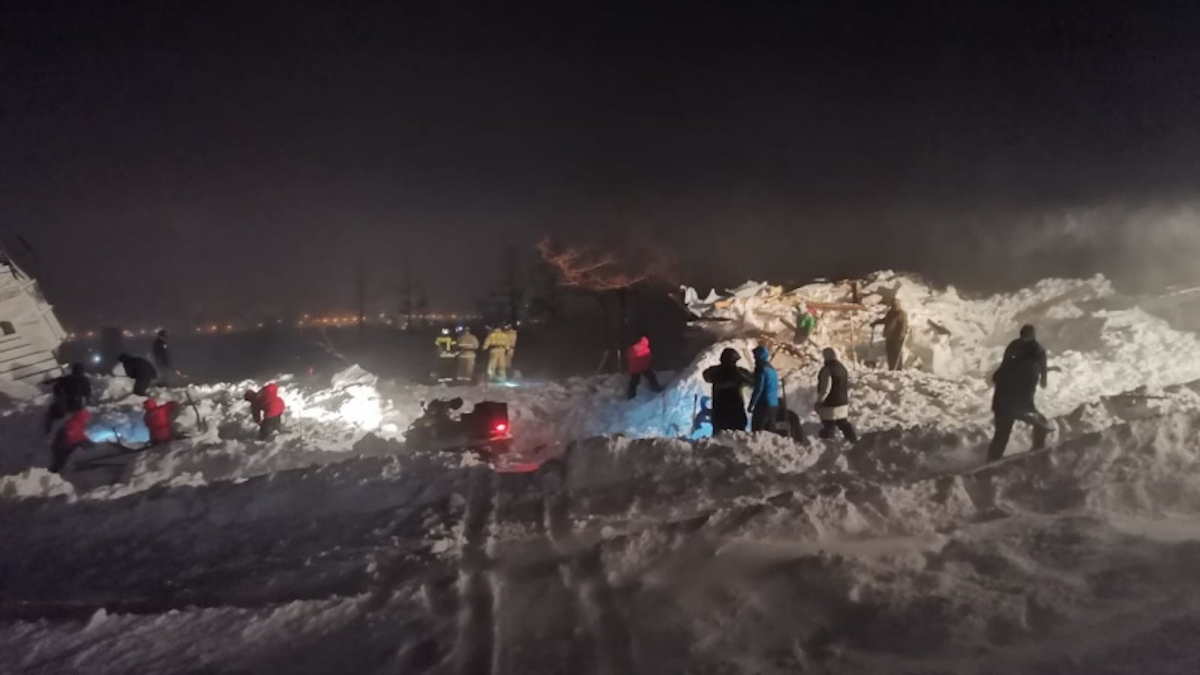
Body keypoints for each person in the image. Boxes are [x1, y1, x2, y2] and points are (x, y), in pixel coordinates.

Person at [989, 324, 1052, 461]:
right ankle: (1037, 452)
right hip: (1012, 402)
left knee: (1002, 433)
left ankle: (992, 459)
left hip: (1005, 401)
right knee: (1038, 424)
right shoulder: (1032, 353)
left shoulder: (1019, 348)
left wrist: (1044, 376)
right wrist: (1043, 377)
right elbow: (1038, 372)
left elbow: (1001, 371)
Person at [702, 348, 753, 432]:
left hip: (720, 410)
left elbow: (706, 375)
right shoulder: (738, 373)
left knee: (720, 432)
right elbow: (752, 381)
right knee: (736, 431)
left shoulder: (715, 372)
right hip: (735, 409)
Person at [816, 347, 858, 442]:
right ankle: (853, 440)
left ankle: (827, 444)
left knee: (828, 426)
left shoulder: (827, 370)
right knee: (843, 423)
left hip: (830, 404)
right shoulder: (842, 368)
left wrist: (819, 401)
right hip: (843, 403)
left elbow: (825, 388)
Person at [44, 363, 92, 434]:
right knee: (76, 419)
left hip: (66, 403)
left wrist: (57, 394)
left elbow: (56, 384)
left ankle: (47, 431)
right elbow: (88, 392)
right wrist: (87, 400)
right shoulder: (85, 380)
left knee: (53, 412)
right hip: (77, 404)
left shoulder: (68, 378)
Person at [49, 408, 93, 473]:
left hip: (61, 447)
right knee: (59, 463)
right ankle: (52, 473)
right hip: (62, 449)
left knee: (59, 462)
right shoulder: (74, 425)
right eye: (87, 419)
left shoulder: (75, 423)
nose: (88, 421)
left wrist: (85, 441)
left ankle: (54, 472)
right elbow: (75, 436)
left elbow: (79, 435)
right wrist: (84, 442)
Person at [748, 345, 781, 431]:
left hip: (763, 404)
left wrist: (752, 404)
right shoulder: (773, 370)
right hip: (774, 404)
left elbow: (759, 388)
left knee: (758, 431)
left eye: (755, 356)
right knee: (769, 431)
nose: (754, 358)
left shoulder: (761, 369)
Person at [873, 298, 910, 371]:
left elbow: (904, 326)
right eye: (893, 305)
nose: (894, 306)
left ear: (899, 305)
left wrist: (901, 335)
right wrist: (875, 322)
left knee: (897, 354)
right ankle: (891, 367)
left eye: (895, 305)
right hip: (889, 336)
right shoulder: (890, 313)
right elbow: (886, 320)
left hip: (898, 338)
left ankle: (898, 369)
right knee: (890, 353)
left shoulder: (902, 314)